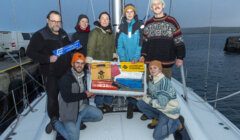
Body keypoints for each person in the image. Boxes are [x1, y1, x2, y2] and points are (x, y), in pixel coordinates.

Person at [139, 0, 186, 128]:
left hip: (166, 64)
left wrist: (180, 57)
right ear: (152, 8)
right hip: (150, 63)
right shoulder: (148, 23)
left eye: (158, 3)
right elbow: (145, 43)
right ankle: (153, 114)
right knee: (151, 90)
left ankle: (163, 116)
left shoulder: (172, 21)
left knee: (163, 92)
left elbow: (179, 40)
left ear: (163, 6)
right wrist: (143, 56)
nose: (156, 6)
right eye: (154, 5)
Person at [26, 10, 71, 133]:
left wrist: (74, 48)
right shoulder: (40, 35)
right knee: (52, 99)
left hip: (65, 71)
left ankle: (70, 118)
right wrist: (47, 58)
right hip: (51, 74)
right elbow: (29, 52)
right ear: (47, 21)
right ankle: (54, 121)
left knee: (67, 95)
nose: (56, 23)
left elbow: (68, 48)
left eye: (58, 21)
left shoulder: (63, 33)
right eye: (53, 21)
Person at [53, 52, 103, 140]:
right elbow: (67, 98)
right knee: (74, 138)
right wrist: (85, 95)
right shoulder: (65, 78)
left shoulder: (83, 75)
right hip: (69, 113)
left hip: (81, 108)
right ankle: (55, 123)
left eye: (82, 63)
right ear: (72, 64)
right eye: (77, 63)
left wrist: (90, 94)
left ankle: (79, 119)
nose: (79, 65)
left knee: (99, 116)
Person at [137, 60, 184, 140]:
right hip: (161, 109)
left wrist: (146, 99)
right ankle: (158, 119)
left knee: (157, 136)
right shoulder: (152, 79)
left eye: (155, 68)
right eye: (150, 68)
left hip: (169, 112)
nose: (152, 70)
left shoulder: (164, 83)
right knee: (140, 103)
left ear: (160, 69)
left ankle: (177, 123)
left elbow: (161, 103)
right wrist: (141, 97)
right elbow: (150, 94)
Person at [116, 4, 143, 119]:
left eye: (132, 11)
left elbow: (140, 43)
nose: (130, 13)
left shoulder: (139, 25)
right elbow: (118, 45)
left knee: (136, 82)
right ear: (125, 13)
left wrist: (136, 58)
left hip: (135, 61)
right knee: (127, 82)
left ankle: (137, 105)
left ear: (134, 13)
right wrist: (123, 59)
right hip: (125, 61)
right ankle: (130, 105)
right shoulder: (120, 27)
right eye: (127, 12)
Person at [87, 11, 116, 112]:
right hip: (98, 63)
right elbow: (90, 47)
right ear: (99, 20)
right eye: (103, 18)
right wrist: (89, 62)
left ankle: (108, 103)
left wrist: (115, 58)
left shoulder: (110, 33)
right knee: (100, 85)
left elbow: (113, 48)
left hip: (109, 63)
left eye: (107, 19)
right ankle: (99, 104)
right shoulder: (95, 32)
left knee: (109, 84)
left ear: (109, 21)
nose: (105, 20)